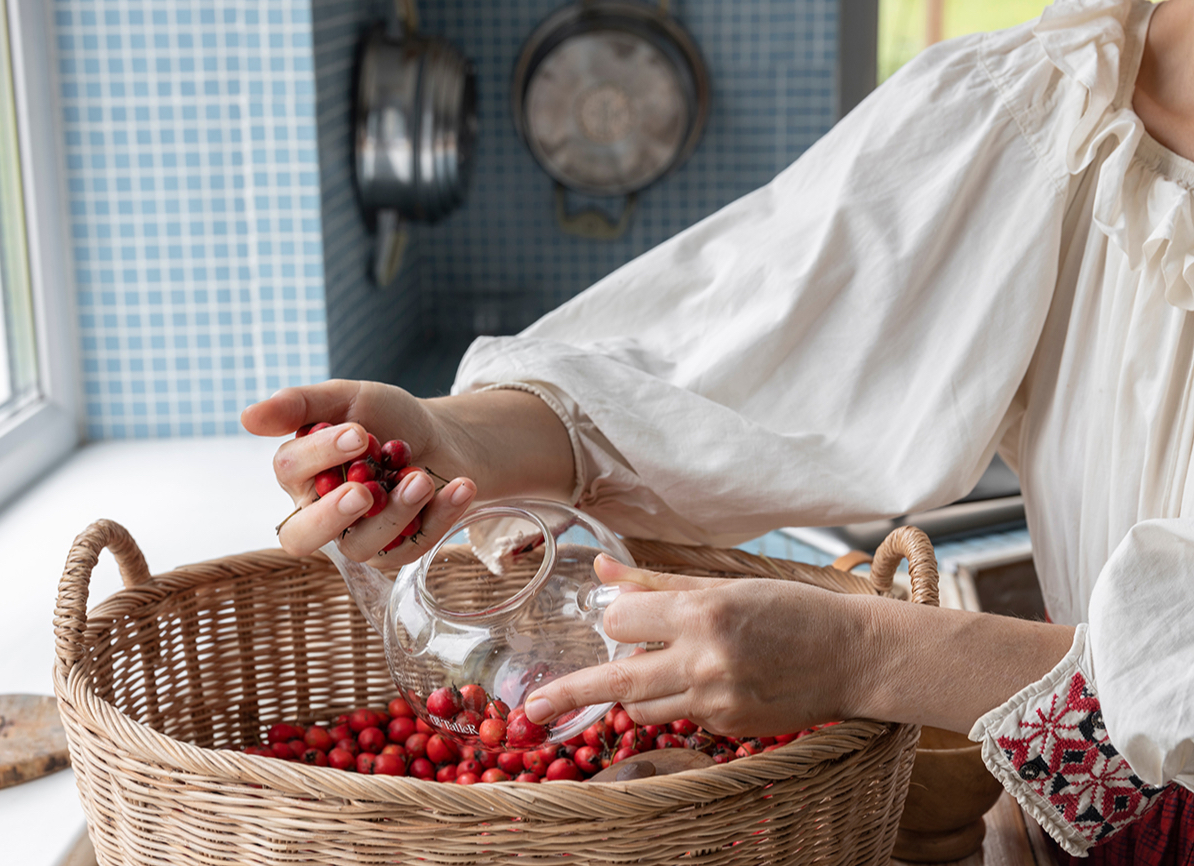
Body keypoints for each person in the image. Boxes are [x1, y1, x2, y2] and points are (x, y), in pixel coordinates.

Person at [241, 0, 1194, 861]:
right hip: (1098, 834)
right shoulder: (1053, 94)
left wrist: (864, 654)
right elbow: (746, 343)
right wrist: (458, 445)